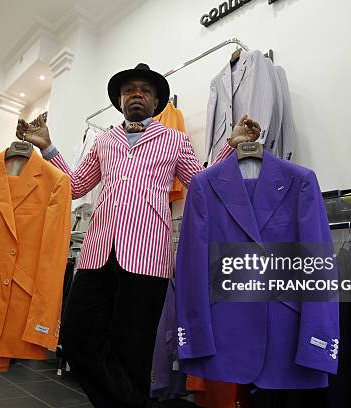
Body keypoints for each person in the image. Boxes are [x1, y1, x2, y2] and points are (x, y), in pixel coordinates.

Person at [17, 63, 260, 408]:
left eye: (145, 90)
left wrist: (231, 145)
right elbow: (74, 187)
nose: (137, 94)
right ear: (119, 99)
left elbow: (201, 185)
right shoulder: (103, 141)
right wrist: (48, 148)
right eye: (130, 89)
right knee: (75, 338)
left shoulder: (175, 140)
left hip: (148, 257)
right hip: (97, 252)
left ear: (156, 100)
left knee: (133, 350)